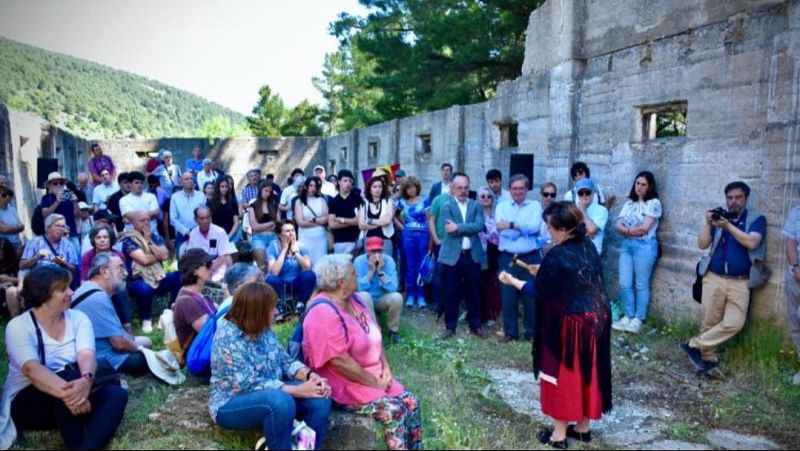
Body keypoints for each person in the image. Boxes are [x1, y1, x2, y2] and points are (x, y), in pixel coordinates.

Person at [499, 202, 612, 448]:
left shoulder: (557, 254)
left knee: (564, 375)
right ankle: (582, 428)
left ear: (562, 228)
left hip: (571, 324)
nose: (547, 230)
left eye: (549, 226)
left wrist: (513, 281)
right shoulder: (587, 246)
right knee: (586, 372)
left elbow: (538, 291)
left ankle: (559, 436)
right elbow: (573, 278)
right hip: (596, 319)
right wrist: (544, 270)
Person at [0, 266, 128, 450]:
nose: (71, 292)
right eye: (63, 289)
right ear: (43, 294)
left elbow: (86, 355)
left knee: (117, 395)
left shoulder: (78, 318)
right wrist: (74, 394)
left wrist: (86, 380)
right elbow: (31, 369)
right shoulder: (19, 326)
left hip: (74, 393)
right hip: (28, 401)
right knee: (68, 377)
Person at [302, 254, 422, 450]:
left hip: (372, 376)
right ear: (341, 282)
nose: (358, 275)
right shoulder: (322, 312)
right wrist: (375, 383)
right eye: (353, 273)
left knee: (411, 402)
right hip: (344, 385)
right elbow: (339, 362)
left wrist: (386, 368)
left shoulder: (355, 300)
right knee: (395, 410)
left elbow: (374, 333)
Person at [210, 281, 332, 450]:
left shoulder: (263, 329)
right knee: (280, 401)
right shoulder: (227, 338)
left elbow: (284, 361)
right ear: (257, 312)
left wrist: (311, 377)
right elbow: (249, 384)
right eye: (272, 308)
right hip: (232, 402)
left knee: (320, 398)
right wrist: (298, 390)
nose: (276, 312)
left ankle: (306, 448)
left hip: (274, 392)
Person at [681, 181, 766, 372]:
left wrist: (728, 226)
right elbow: (702, 245)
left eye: (738, 197)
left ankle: (693, 344)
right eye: (730, 198)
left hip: (741, 281)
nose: (733, 202)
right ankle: (707, 361)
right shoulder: (719, 218)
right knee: (710, 321)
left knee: (735, 323)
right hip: (714, 277)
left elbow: (752, 243)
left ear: (746, 198)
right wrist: (707, 224)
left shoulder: (756, 219)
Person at [73, 253, 152, 376]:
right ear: (104, 272)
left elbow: (118, 333)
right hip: (104, 360)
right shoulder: (97, 297)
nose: (126, 273)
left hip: (101, 352)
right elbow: (119, 344)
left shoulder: (91, 290)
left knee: (146, 341)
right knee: (145, 356)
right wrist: (143, 351)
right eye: (120, 268)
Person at [495, 174, 543, 343]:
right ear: (510, 190)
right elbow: (501, 230)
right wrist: (523, 228)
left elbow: (536, 227)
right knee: (508, 296)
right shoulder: (501, 206)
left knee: (531, 296)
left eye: (521, 188)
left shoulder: (536, 206)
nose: (518, 192)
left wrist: (511, 225)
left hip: (530, 258)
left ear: (527, 189)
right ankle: (511, 333)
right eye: (514, 189)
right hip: (507, 258)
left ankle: (531, 333)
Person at [611, 172, 661, 334]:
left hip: (645, 246)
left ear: (649, 186)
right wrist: (629, 231)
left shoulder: (654, 203)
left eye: (643, 184)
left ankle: (638, 318)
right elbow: (617, 225)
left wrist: (626, 230)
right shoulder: (629, 204)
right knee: (625, 283)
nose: (639, 187)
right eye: (637, 183)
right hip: (627, 245)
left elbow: (644, 229)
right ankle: (628, 315)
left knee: (641, 284)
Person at [437, 173, 486, 339]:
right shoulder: (446, 207)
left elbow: (479, 226)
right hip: (452, 257)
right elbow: (449, 230)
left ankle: (476, 325)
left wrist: (458, 227)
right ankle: (450, 327)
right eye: (459, 188)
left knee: (474, 292)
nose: (463, 191)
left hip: (472, 256)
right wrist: (465, 227)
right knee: (451, 292)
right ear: (452, 188)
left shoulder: (476, 206)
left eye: (466, 188)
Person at [120, 211, 182, 333]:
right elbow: (144, 260)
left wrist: (149, 241)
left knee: (177, 276)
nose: (147, 223)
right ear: (134, 223)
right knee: (144, 289)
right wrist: (158, 255)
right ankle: (146, 318)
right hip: (137, 279)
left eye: (148, 219)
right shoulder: (128, 239)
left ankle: (170, 311)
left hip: (158, 275)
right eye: (143, 220)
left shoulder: (155, 237)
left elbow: (166, 256)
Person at [80, 224, 132, 332]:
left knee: (120, 291)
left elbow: (123, 276)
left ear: (110, 239)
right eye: (98, 237)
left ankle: (126, 325)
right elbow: (84, 280)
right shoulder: (88, 256)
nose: (102, 240)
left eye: (105, 237)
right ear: (93, 240)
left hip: (115, 285)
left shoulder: (118, 255)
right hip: (96, 287)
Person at [354, 237, 404, 343]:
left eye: (379, 250)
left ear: (382, 250)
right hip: (365, 301)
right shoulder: (359, 261)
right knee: (363, 295)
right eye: (373, 251)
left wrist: (380, 272)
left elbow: (394, 287)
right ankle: (376, 333)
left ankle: (393, 331)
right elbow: (357, 289)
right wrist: (371, 272)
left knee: (397, 297)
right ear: (367, 249)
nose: (376, 254)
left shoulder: (389, 260)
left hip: (381, 299)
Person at [395, 177, 430, 308]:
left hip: (423, 235)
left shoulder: (425, 200)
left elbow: (429, 218)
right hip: (408, 235)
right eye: (408, 187)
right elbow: (394, 216)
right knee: (410, 265)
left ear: (417, 187)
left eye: (413, 186)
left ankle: (421, 296)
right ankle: (410, 294)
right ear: (405, 189)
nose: (411, 189)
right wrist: (402, 227)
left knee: (422, 265)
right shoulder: (402, 202)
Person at [266, 221, 316, 313]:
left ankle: (300, 305)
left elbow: (308, 267)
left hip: (296, 282)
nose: (291, 233)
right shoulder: (273, 247)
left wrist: (295, 252)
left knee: (310, 275)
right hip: (281, 283)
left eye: (293, 230)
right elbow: (274, 272)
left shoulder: (301, 246)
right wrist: (284, 250)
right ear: (279, 235)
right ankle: (285, 305)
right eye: (287, 231)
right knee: (270, 279)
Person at [172, 249, 217, 352]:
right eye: (208, 264)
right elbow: (210, 334)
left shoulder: (202, 289)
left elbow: (228, 297)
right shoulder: (187, 302)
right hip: (201, 354)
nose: (211, 268)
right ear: (194, 270)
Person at [186, 206, 234, 283]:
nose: (205, 221)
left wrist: (208, 271)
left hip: (218, 269)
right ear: (196, 220)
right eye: (202, 218)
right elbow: (190, 257)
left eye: (207, 217)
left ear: (211, 218)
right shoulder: (193, 233)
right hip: (199, 270)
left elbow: (223, 258)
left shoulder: (220, 232)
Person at [477, 187, 501, 325]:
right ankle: (477, 313)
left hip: (492, 255)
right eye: (482, 196)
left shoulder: (497, 217)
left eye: (489, 196)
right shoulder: (474, 216)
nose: (486, 198)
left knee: (491, 285)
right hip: (478, 255)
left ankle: (490, 314)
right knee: (477, 284)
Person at [783, 201, 800, 386]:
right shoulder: (796, 212)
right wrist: (795, 267)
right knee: (796, 322)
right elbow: (790, 242)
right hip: (796, 277)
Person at [39, 172, 80, 250]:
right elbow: (45, 214)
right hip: (54, 235)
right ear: (50, 186)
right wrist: (57, 202)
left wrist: (75, 203)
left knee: (76, 259)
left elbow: (77, 216)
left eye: (61, 183)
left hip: (71, 234)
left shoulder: (69, 196)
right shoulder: (46, 198)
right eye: (55, 183)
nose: (59, 185)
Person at [295, 176, 329, 264]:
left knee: (321, 263)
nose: (313, 188)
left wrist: (312, 219)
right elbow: (301, 223)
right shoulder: (299, 202)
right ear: (306, 186)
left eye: (315, 186)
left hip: (320, 238)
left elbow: (326, 219)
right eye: (311, 185)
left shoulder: (322, 200)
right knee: (306, 263)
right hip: (305, 237)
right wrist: (319, 222)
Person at [170, 171, 207, 254]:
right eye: (186, 179)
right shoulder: (175, 197)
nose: (189, 180)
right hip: (182, 234)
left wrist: (197, 230)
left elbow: (205, 215)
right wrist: (186, 232)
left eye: (191, 178)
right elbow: (173, 219)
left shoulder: (201, 195)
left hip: (200, 232)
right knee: (182, 260)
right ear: (181, 182)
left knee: (201, 260)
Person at [359, 176, 395, 257]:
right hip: (369, 240)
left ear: (383, 189)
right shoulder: (364, 203)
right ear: (370, 189)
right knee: (370, 266)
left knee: (385, 266)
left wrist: (370, 221)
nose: (377, 189)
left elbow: (388, 221)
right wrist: (381, 222)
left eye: (380, 187)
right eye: (374, 187)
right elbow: (361, 225)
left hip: (385, 240)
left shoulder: (388, 200)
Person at [328, 170, 361, 254]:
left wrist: (341, 220)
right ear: (339, 182)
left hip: (355, 241)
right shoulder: (333, 201)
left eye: (350, 181)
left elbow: (360, 220)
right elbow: (331, 224)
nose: (348, 183)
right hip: (339, 242)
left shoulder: (358, 199)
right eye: (345, 180)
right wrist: (352, 221)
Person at [249, 180, 279, 270]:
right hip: (258, 237)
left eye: (270, 192)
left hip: (273, 237)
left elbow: (277, 224)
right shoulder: (253, 206)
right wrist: (270, 223)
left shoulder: (274, 205)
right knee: (262, 266)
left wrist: (264, 226)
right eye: (266, 191)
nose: (268, 193)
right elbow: (254, 227)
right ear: (260, 190)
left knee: (274, 265)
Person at [574, 179, 609, 255]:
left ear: (593, 193)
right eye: (581, 193)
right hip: (576, 253)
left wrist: (582, 210)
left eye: (587, 192)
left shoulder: (602, 210)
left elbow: (592, 230)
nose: (584, 196)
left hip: (592, 254)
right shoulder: (573, 210)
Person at [119, 171, 160, 236]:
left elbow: (156, 213)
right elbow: (130, 216)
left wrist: (133, 219)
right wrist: (149, 216)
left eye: (141, 183)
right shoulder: (124, 200)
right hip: (133, 235)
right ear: (130, 184)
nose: (140, 185)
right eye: (136, 183)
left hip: (152, 233)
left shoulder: (151, 196)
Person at [209, 178, 240, 243]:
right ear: (217, 187)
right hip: (216, 235)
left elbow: (236, 222)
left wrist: (228, 236)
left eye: (226, 186)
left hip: (232, 235)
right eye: (222, 186)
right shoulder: (210, 203)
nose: (225, 188)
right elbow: (210, 222)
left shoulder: (233, 202)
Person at [0, 237, 23, 318]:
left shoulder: (16, 263)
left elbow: (24, 279)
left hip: (15, 288)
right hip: (3, 290)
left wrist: (9, 280)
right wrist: (5, 283)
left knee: (13, 291)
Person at [0, 186, 23, 250]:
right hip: (3, 247)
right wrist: (17, 228)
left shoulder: (12, 209)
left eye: (9, 194)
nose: (7, 197)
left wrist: (10, 228)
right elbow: (4, 229)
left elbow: (22, 226)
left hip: (16, 243)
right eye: (4, 195)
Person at [539, 182, 558, 252]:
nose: (549, 197)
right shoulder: (536, 211)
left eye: (552, 195)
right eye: (546, 194)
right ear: (541, 195)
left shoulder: (559, 213)